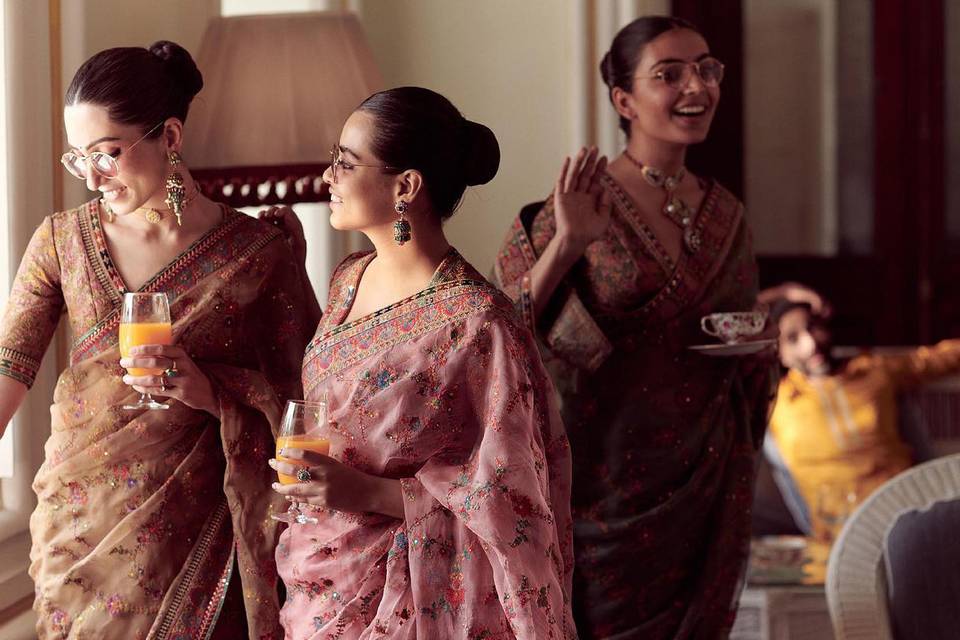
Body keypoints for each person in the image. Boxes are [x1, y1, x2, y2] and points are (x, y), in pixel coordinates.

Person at [0, 42, 315, 638]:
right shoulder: (61, 242)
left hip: (204, 531)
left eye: (108, 154)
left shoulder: (256, 253)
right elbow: (9, 369)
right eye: (79, 159)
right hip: (79, 530)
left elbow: (306, 403)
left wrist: (211, 392)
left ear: (170, 136)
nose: (92, 177)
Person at [492, 16, 777, 639]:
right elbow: (497, 335)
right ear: (624, 100)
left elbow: (744, 334)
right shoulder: (581, 201)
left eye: (706, 68)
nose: (695, 87)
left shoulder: (726, 212)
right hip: (601, 490)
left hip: (703, 480)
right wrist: (566, 244)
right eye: (668, 74)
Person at [261, 87, 575, 639]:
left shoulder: (479, 325)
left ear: (405, 186)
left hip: (410, 598)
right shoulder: (348, 279)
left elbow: (516, 503)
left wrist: (369, 493)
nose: (327, 176)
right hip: (318, 579)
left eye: (345, 162)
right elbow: (322, 407)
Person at [764, 286, 960, 540]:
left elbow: (943, 358)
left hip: (906, 517)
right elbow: (722, 326)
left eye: (813, 327)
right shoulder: (776, 400)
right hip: (837, 539)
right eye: (792, 338)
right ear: (777, 353)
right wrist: (786, 292)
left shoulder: (873, 371)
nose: (810, 344)